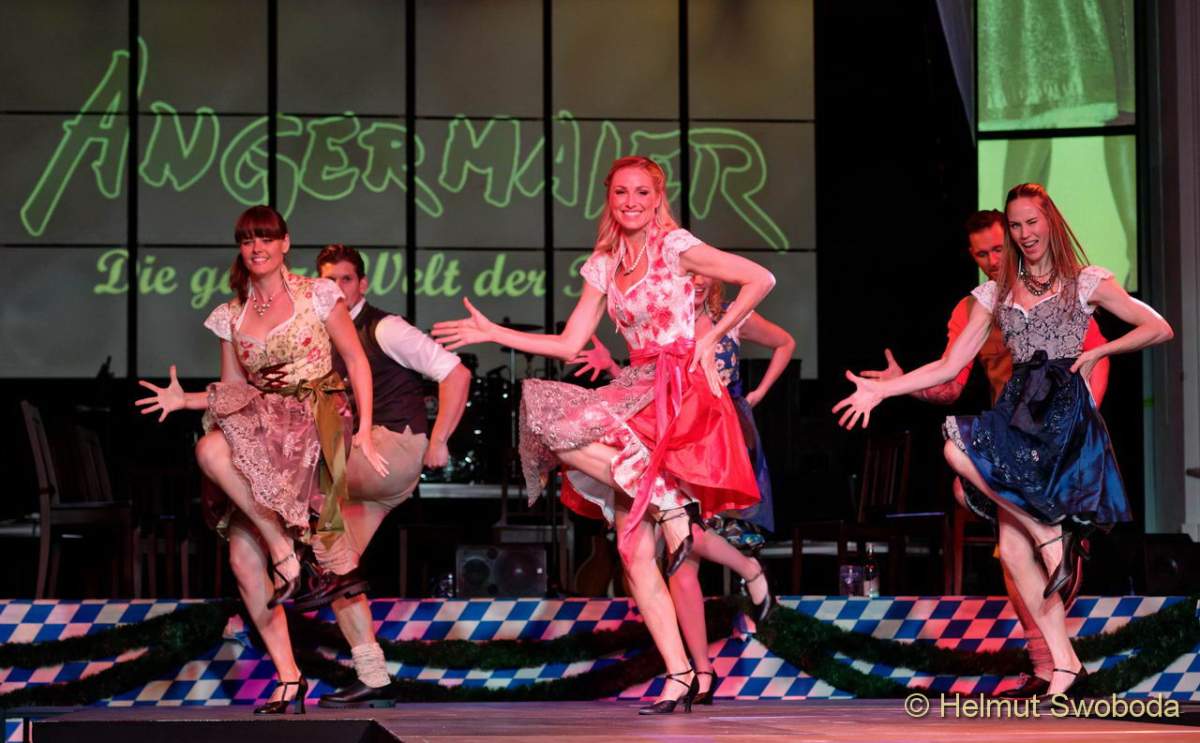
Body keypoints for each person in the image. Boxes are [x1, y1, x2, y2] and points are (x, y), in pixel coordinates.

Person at [431, 155, 775, 714]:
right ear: (609, 200)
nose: (631, 201)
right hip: (636, 387)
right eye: (621, 192)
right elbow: (569, 344)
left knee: (558, 424)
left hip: (679, 391)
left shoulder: (675, 246)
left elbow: (760, 278)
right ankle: (679, 674)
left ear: (657, 198)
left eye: (641, 192)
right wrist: (494, 332)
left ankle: (666, 504)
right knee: (631, 549)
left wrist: (711, 340)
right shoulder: (604, 264)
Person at [835, 183, 1173, 697]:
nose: (1024, 233)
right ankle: (1065, 663)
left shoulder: (1085, 282)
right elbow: (948, 367)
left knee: (966, 462)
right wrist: (883, 390)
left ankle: (1050, 537)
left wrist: (1100, 353)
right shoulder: (994, 294)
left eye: (1031, 222)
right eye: (1016, 225)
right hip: (1017, 416)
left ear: (1050, 221)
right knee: (1010, 546)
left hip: (1062, 417)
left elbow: (1158, 328)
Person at [136, 206, 388, 715]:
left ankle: (372, 672)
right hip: (263, 427)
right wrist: (184, 400)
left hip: (318, 421)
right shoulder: (231, 315)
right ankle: (290, 677)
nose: (257, 248)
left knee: (329, 544)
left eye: (267, 238)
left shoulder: (318, 294)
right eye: (248, 239)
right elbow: (234, 392)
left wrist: (364, 427)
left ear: (285, 243)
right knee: (239, 548)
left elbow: (356, 360)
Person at [570, 273, 794, 704]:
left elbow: (785, 343)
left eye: (701, 270)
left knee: (686, 536)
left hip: (716, 435)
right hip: (672, 432)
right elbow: (650, 383)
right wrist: (613, 368)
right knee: (680, 559)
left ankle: (749, 570)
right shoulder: (665, 318)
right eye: (686, 272)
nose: (695, 279)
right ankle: (702, 672)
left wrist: (757, 394)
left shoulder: (731, 316)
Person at [302, 244, 471, 708]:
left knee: (292, 474)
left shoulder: (384, 327)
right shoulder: (319, 334)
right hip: (362, 467)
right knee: (335, 561)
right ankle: (373, 676)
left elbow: (456, 374)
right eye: (328, 281)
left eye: (346, 279)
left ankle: (286, 570)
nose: (337, 289)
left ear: (362, 284)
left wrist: (439, 440)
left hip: (392, 448)